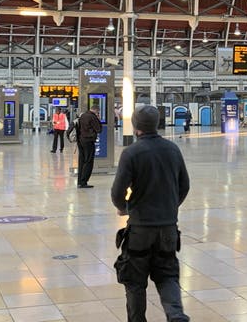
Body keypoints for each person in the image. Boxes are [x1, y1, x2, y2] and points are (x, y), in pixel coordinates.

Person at [111, 105, 190, 322]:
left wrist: (125, 208)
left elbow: (117, 192)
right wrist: (171, 207)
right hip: (168, 227)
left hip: (140, 229)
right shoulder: (173, 149)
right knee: (167, 275)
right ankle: (176, 315)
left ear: (136, 127)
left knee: (135, 281)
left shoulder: (132, 153)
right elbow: (184, 185)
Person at [77, 104, 102, 189]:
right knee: (88, 161)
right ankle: (84, 182)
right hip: (89, 141)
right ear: (96, 110)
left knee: (82, 161)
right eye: (98, 112)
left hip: (80, 141)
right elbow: (99, 129)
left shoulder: (83, 115)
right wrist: (98, 119)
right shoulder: (93, 117)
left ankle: (79, 181)